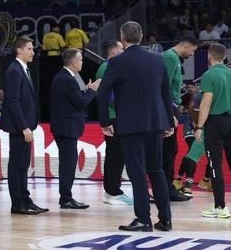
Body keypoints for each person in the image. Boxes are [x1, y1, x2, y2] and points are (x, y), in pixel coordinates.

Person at [97, 21, 174, 232]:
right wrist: (168, 120)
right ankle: (166, 219)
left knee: (138, 172)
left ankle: (143, 219)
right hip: (156, 123)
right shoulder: (158, 60)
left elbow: (103, 92)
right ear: (141, 37)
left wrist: (105, 122)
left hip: (130, 125)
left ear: (123, 39)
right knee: (157, 170)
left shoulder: (117, 62)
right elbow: (165, 93)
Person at [192, 43, 231, 219]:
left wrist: (199, 127)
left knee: (215, 165)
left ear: (209, 57)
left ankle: (220, 207)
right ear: (225, 57)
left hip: (215, 122)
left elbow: (206, 103)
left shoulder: (209, 75)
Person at [50, 48, 98, 209]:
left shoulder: (64, 77)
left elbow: (72, 99)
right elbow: (81, 103)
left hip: (64, 127)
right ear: (73, 62)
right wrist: (92, 90)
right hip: (66, 128)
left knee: (68, 163)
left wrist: (85, 90)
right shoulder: (67, 79)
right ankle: (65, 198)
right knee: (68, 164)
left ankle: (66, 197)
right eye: (80, 60)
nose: (82, 62)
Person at [1, 37, 43, 215]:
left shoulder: (23, 70)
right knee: (17, 165)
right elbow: (13, 101)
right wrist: (24, 127)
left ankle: (25, 199)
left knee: (24, 165)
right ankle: (17, 203)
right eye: (29, 49)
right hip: (19, 128)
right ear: (19, 50)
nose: (33, 52)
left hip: (26, 126)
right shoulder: (14, 71)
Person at [96, 40, 131, 205]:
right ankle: (112, 191)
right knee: (115, 154)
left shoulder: (113, 65)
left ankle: (112, 190)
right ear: (115, 50)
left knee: (116, 154)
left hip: (118, 116)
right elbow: (106, 94)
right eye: (122, 48)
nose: (124, 51)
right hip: (113, 116)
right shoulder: (107, 67)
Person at [162, 36, 197, 202]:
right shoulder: (169, 57)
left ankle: (168, 188)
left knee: (171, 150)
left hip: (172, 107)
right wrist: (169, 113)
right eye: (193, 50)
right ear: (187, 45)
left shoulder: (173, 58)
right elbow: (163, 86)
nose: (191, 54)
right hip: (169, 109)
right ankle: (166, 190)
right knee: (168, 150)